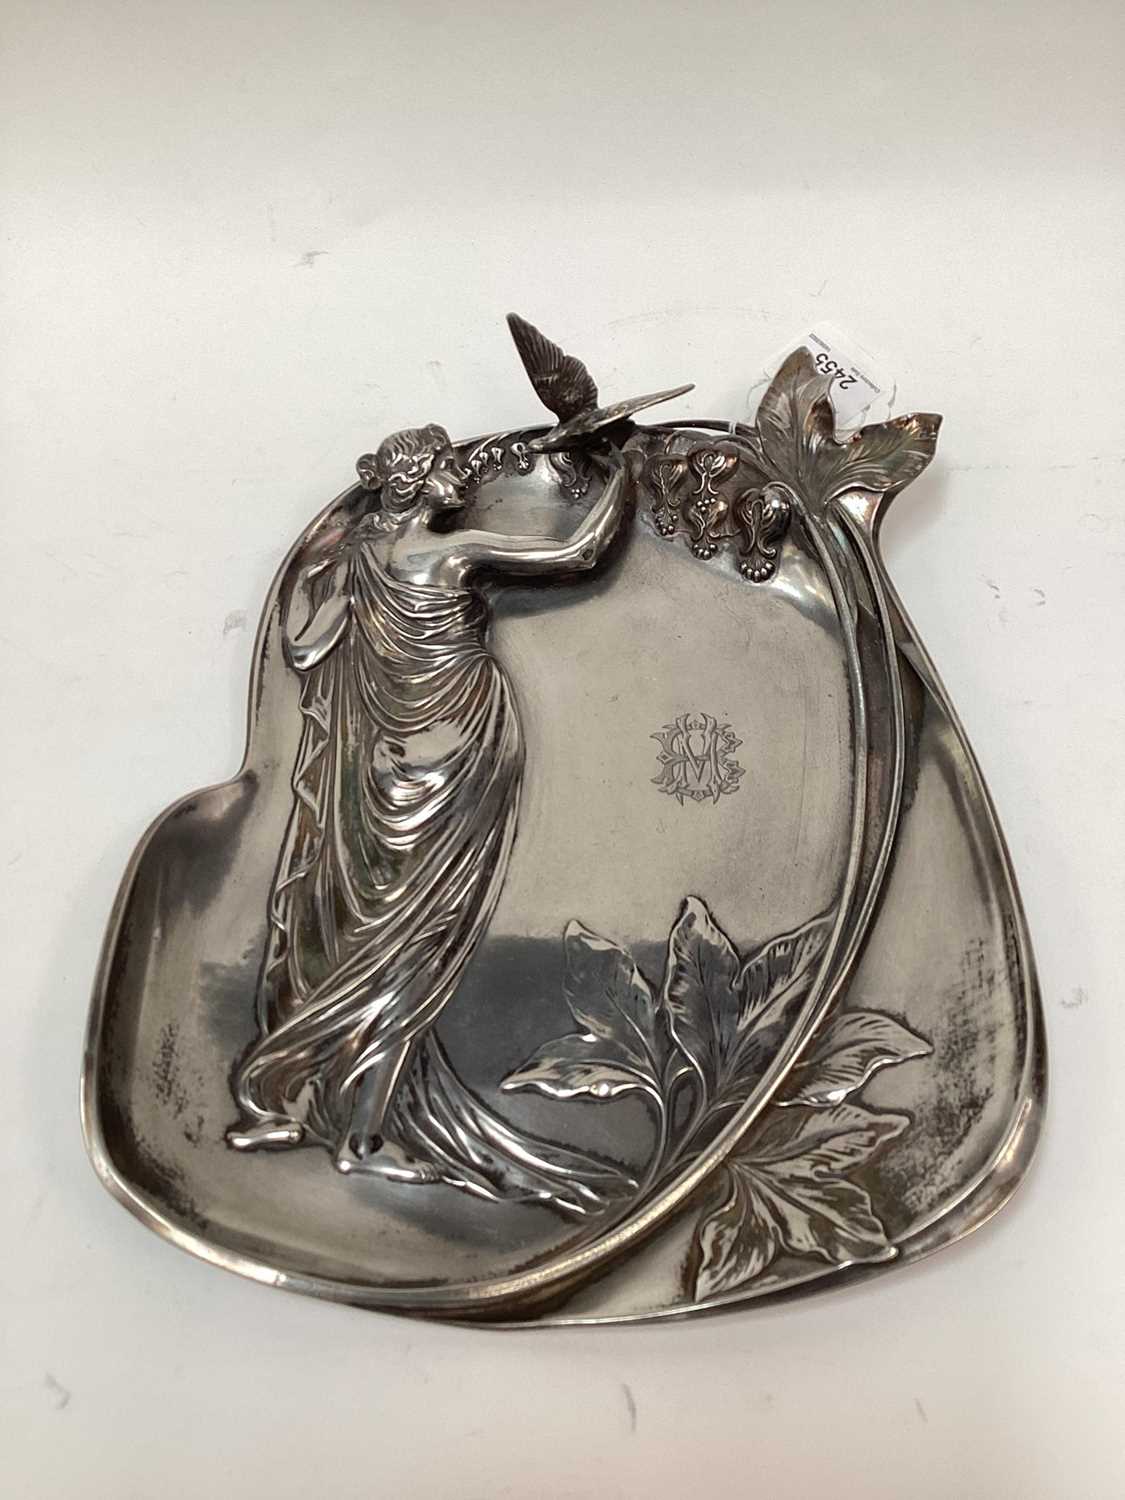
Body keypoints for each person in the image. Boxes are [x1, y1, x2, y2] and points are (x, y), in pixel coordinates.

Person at [227, 423, 629, 1189]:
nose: (460, 477)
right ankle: (364, 1134)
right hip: (461, 743)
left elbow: (304, 649)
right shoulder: (452, 551)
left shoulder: (354, 559)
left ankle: (294, 1097)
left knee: (368, 930)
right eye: (446, 467)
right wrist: (618, 474)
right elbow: (578, 553)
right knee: (422, 939)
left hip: (383, 763)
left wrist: (319, 569)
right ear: (416, 482)